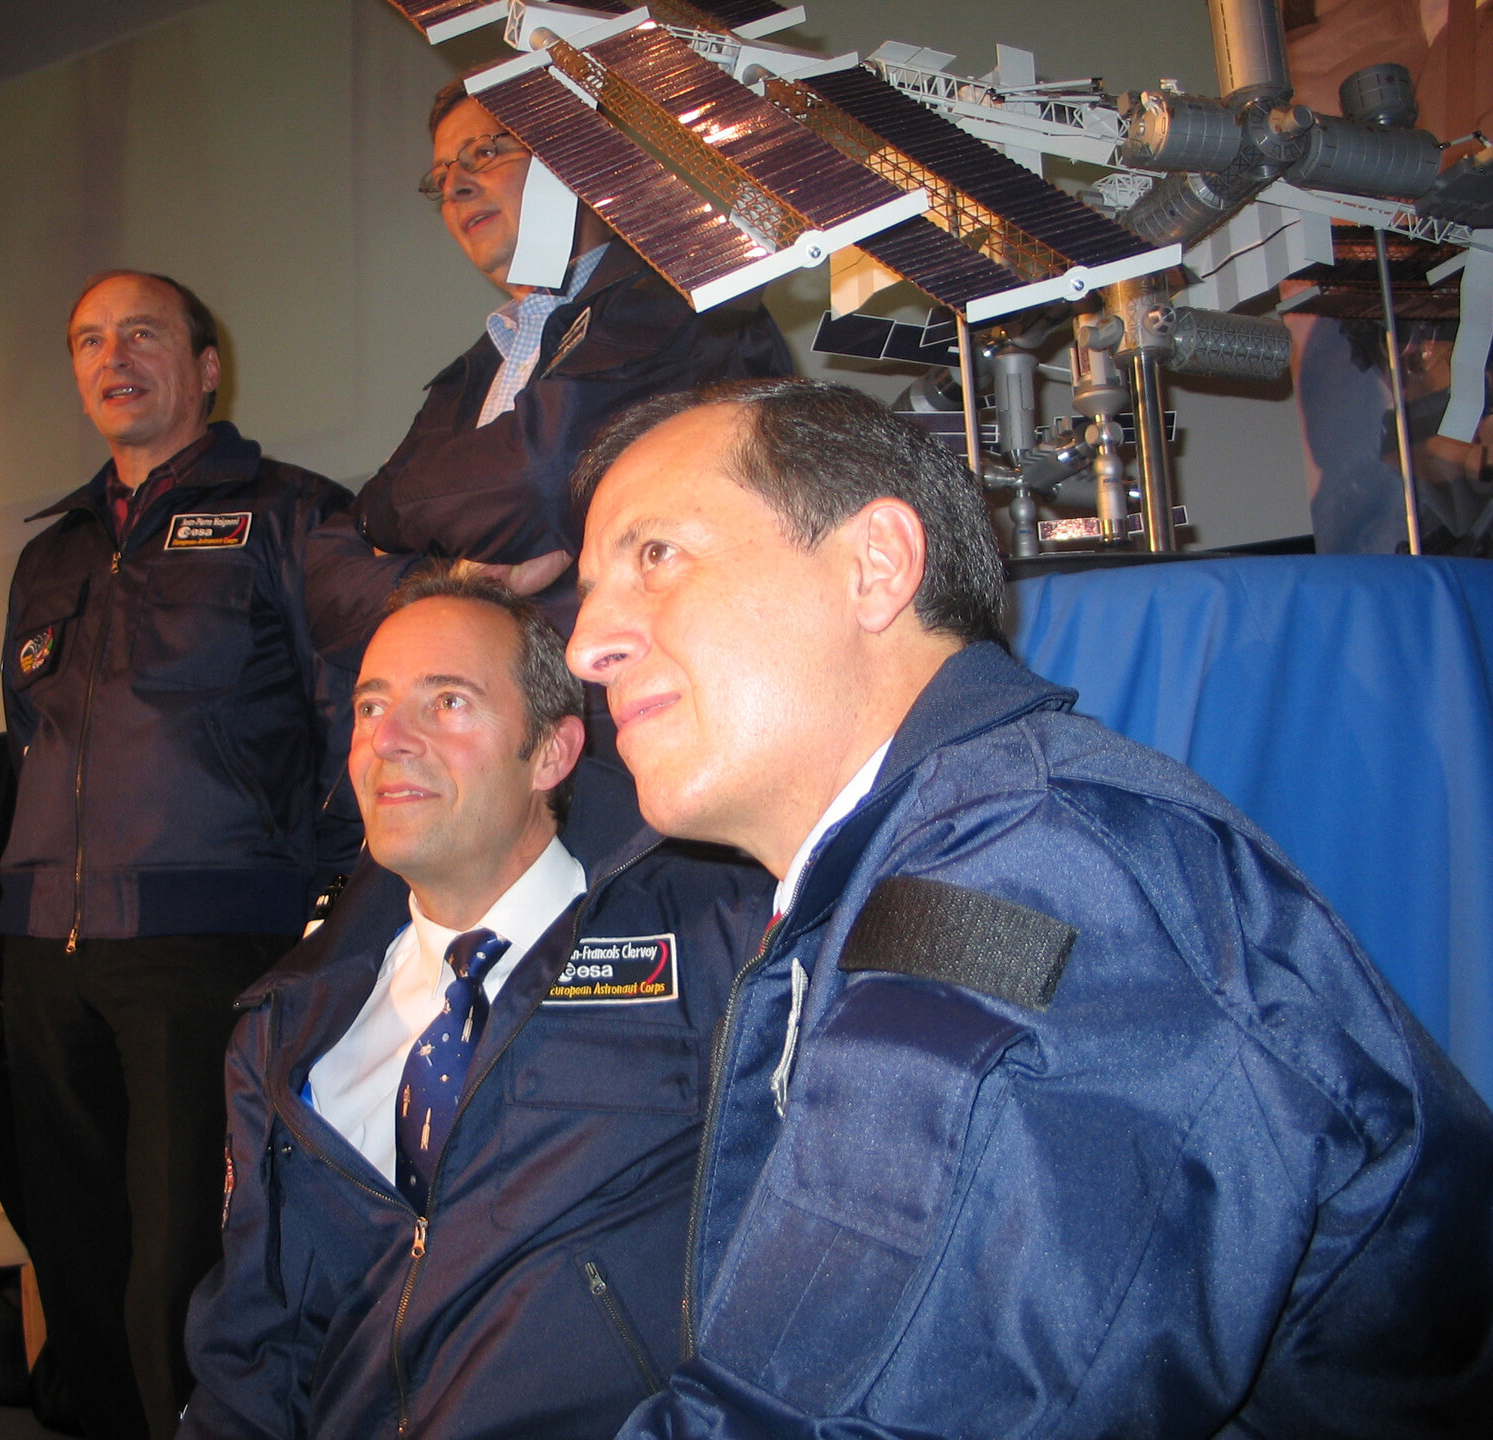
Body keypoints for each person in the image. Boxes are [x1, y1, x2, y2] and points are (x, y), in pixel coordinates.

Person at [565, 377, 1493, 1437]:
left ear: (875, 568)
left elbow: (847, 1412)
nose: (588, 645)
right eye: (590, 592)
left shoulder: (1012, 872)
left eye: (655, 557)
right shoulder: (914, 864)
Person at [177, 568, 773, 1439]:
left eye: (447, 702)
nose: (389, 741)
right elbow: (249, 1354)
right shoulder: (285, 1029)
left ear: (553, 753)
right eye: (372, 708)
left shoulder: (717, 940)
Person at [0, 270, 351, 1440]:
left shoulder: (292, 513)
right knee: (74, 1243)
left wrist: (338, 896)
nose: (114, 355)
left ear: (206, 366)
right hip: (47, 946)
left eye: (144, 332)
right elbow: (25, 734)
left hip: (208, 941)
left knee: (185, 1257)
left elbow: (353, 711)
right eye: (89, 337)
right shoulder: (50, 554)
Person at [303, 79, 794, 668]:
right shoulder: (472, 374)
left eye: (485, 153)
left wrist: (383, 517)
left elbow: (537, 477)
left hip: (626, 714)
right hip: (493, 735)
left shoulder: (681, 303)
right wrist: (462, 581)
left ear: (575, 156)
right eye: (441, 179)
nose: (455, 187)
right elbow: (325, 585)